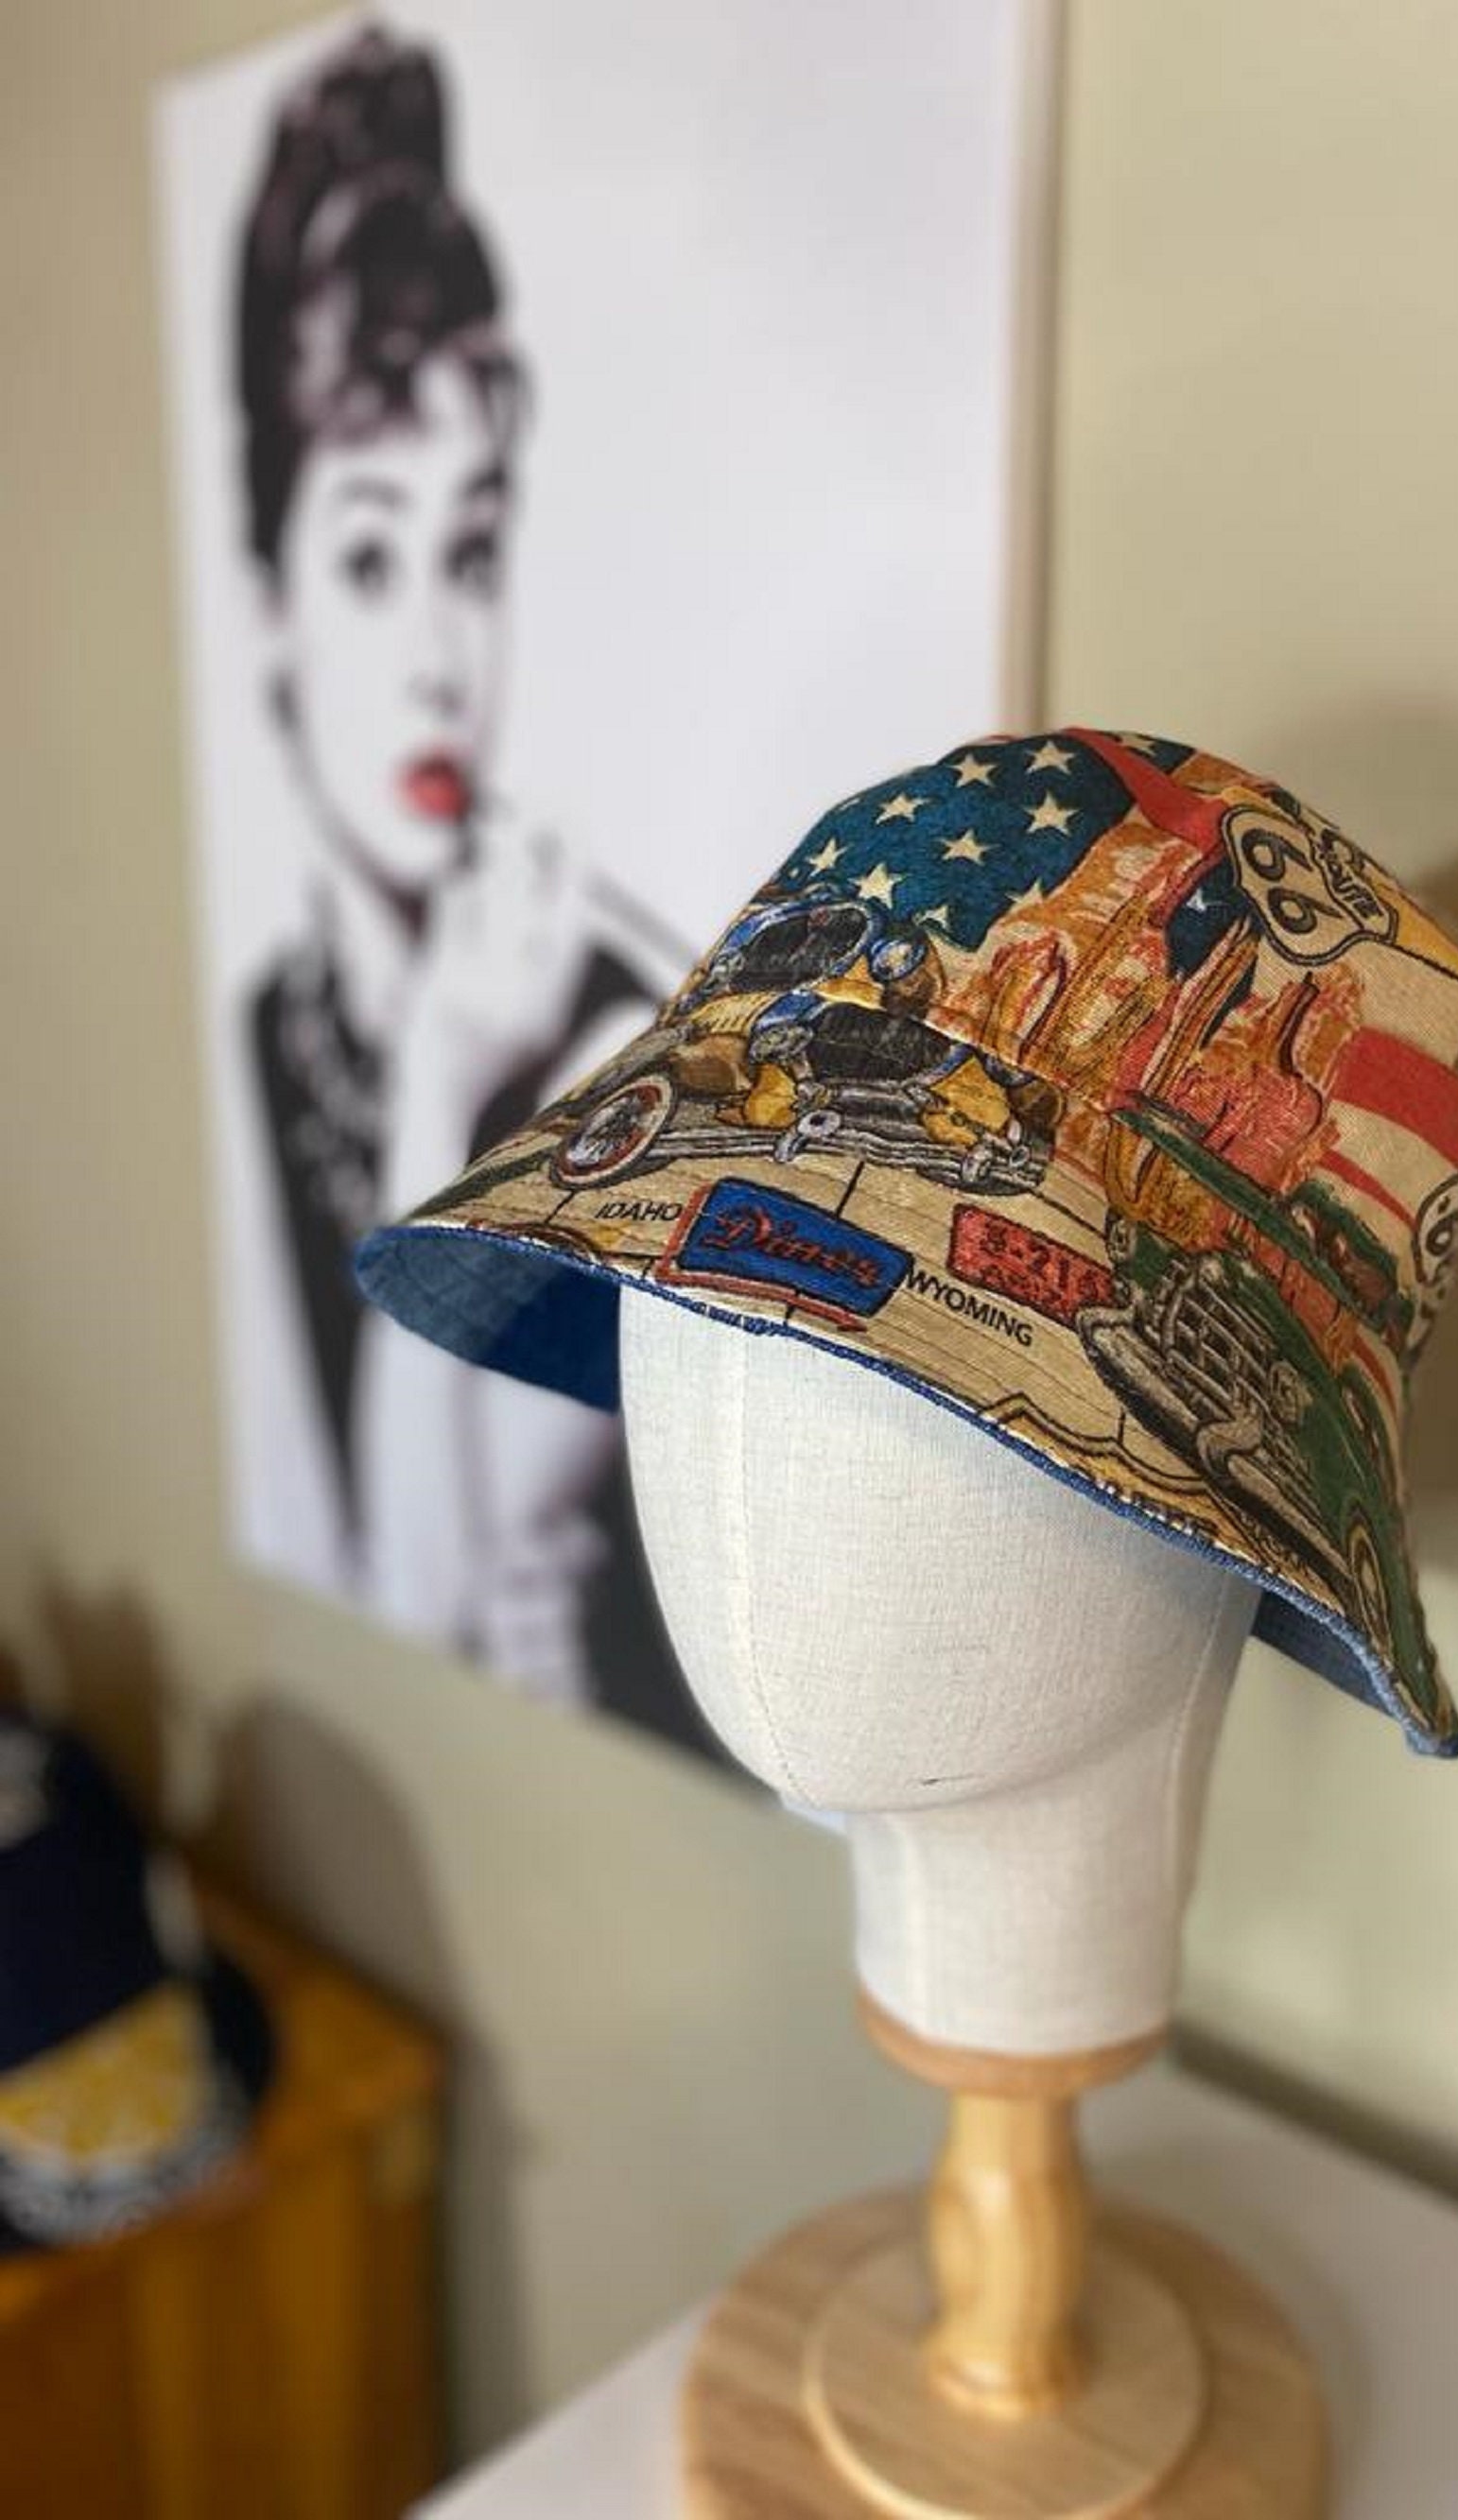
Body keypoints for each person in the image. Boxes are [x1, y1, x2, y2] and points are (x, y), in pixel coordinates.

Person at [233, 25, 700, 1733]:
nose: (439, 655)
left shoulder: (611, 1052)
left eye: (473, 548)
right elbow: (327, 1545)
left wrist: (442, 1077)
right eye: (370, 558)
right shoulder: (277, 1029)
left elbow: (420, 1599)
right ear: (269, 604)